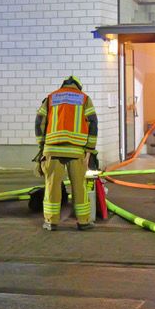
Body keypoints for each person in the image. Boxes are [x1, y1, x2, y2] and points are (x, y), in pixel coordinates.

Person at [34, 75, 98, 231]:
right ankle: (83, 221)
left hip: (52, 149)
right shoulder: (84, 99)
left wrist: (42, 145)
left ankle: (51, 222)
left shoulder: (51, 98)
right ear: (78, 86)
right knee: (79, 186)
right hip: (76, 150)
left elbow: (39, 122)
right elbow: (93, 123)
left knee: (52, 186)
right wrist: (90, 149)